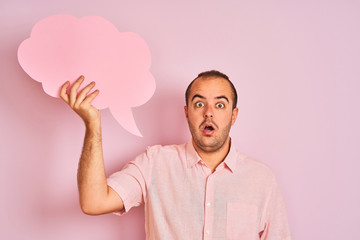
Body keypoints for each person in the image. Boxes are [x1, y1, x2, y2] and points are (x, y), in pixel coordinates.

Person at [60, 70, 292, 240]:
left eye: (220, 106)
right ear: (187, 113)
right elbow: (93, 202)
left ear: (233, 115)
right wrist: (93, 124)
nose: (209, 113)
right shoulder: (155, 163)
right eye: (199, 104)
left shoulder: (261, 179)